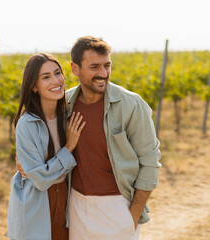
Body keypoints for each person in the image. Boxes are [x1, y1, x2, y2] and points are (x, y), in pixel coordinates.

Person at [66, 36, 162, 240]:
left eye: (107, 65)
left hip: (117, 207)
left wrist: (132, 217)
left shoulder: (131, 105)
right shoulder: (65, 104)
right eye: (94, 67)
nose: (103, 73)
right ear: (75, 69)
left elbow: (150, 162)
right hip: (75, 206)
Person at [7, 53, 85, 240]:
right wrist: (68, 148)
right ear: (34, 86)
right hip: (37, 201)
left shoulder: (68, 115)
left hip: (65, 199)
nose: (56, 81)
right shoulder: (27, 124)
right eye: (46, 77)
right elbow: (40, 180)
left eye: (58, 73)